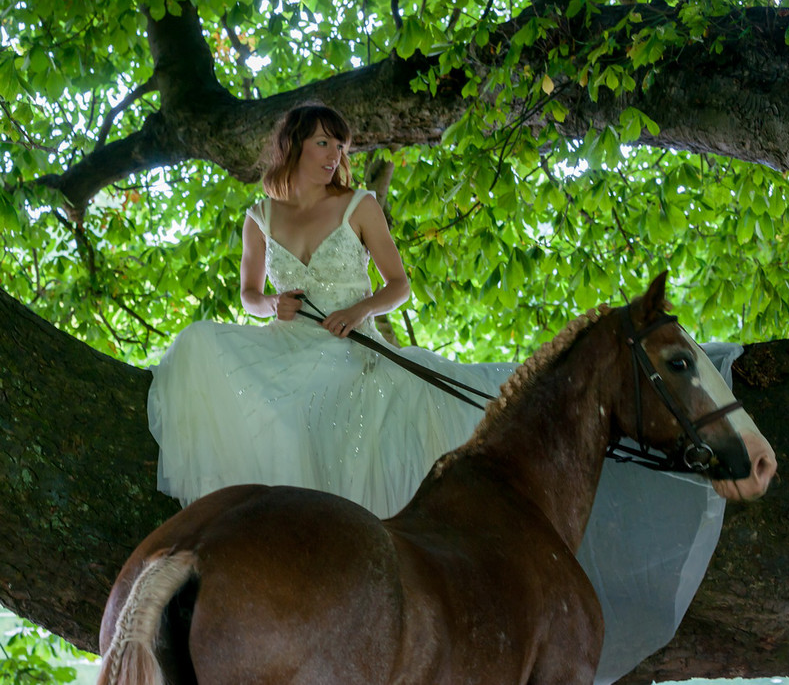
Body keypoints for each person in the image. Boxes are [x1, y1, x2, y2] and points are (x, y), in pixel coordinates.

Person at [147, 102, 736, 684]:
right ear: (295, 143)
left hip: (352, 346)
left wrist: (358, 310)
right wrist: (274, 304)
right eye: (324, 143)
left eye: (341, 146)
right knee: (203, 347)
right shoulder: (259, 217)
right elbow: (249, 294)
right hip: (285, 344)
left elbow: (398, 285)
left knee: (347, 403)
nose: (335, 156)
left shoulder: (359, 205)